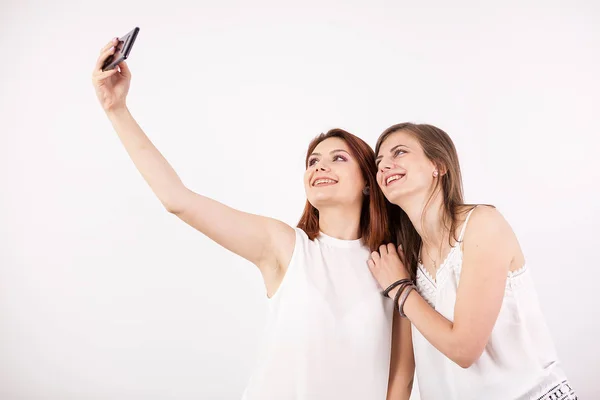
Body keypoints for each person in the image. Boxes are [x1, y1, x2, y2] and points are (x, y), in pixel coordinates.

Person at [91, 38, 414, 399]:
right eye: (312, 161)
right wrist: (116, 109)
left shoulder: (392, 264)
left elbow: (400, 377)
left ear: (369, 183)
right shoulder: (286, 246)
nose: (320, 165)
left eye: (339, 158)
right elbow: (178, 200)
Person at [367, 122, 576, 400]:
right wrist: (402, 284)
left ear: (439, 166)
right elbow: (403, 375)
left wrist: (400, 288)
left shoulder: (482, 224)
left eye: (400, 153)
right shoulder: (406, 261)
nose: (384, 166)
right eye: (379, 162)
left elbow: (464, 349)